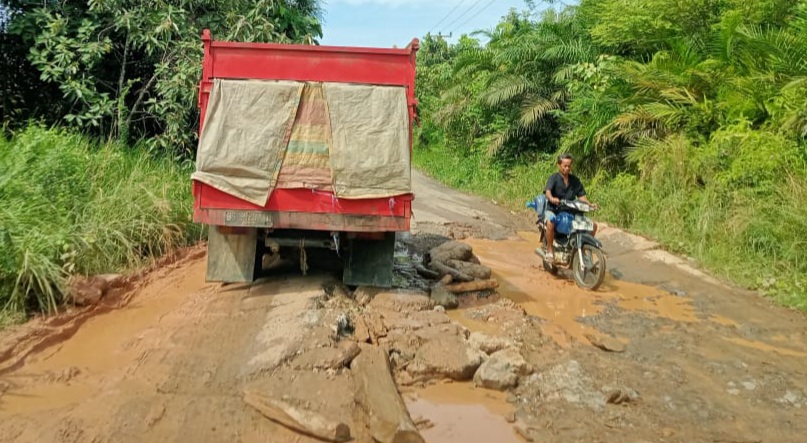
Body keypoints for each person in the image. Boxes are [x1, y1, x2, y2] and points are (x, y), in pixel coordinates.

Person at [543, 153, 598, 263]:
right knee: (550, 222)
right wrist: (552, 198)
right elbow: (548, 192)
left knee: (593, 226)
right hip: (554, 210)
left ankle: (581, 248)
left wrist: (590, 204)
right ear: (559, 165)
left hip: (570, 212)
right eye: (565, 166)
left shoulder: (575, 180)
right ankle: (549, 250)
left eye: (569, 166)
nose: (567, 168)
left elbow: (581, 196)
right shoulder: (553, 178)